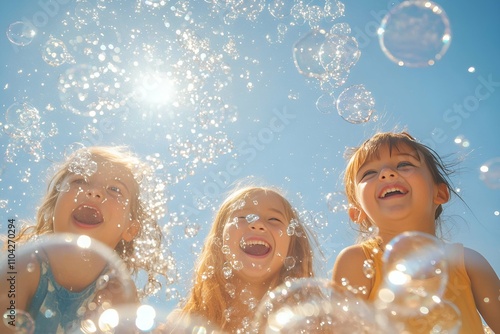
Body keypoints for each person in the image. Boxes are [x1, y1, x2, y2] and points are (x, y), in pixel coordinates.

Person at [331, 131, 499, 333]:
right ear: (356, 211)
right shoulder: (356, 260)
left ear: (440, 192)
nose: (386, 173)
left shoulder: (468, 263)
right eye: (369, 173)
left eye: (404, 164)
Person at [0, 146, 169, 333]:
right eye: (80, 180)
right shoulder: (23, 267)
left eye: (115, 189)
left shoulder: (118, 289)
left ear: (130, 229)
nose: (94, 192)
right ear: (54, 204)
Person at [164, 185, 319, 333]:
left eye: (274, 219)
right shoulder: (183, 323)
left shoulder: (314, 324)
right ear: (219, 241)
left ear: (293, 247)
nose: (257, 224)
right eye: (242, 216)